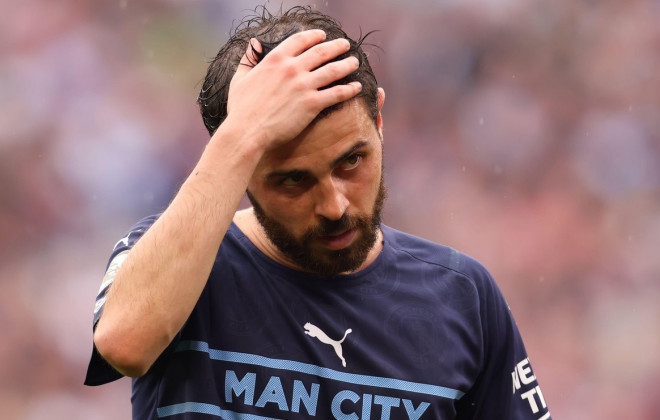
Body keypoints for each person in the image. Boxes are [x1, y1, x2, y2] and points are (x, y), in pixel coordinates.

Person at [85, 6, 551, 420]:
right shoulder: (177, 267)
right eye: (293, 179)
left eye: (352, 161)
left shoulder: (462, 297)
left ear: (380, 121)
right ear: (238, 166)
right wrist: (243, 133)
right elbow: (125, 344)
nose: (335, 206)